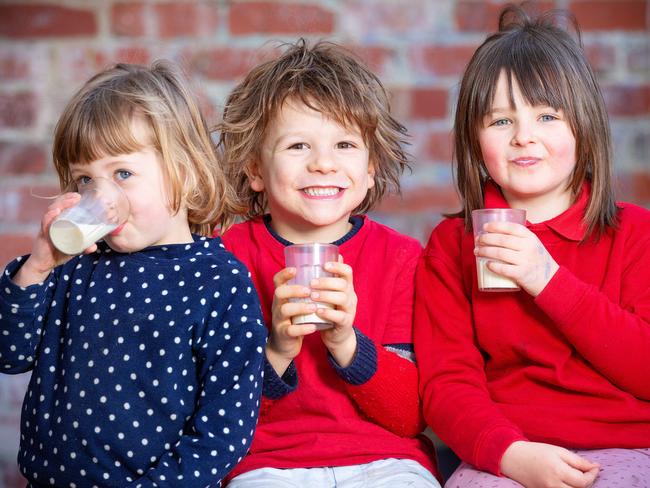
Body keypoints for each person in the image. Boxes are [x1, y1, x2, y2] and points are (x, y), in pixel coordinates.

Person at [414, 4, 650, 488]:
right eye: (500, 121)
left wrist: (548, 280)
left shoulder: (636, 234)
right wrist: (511, 454)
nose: (524, 136)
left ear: (583, 127)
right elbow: (447, 384)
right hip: (508, 452)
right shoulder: (452, 246)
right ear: (474, 139)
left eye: (546, 116)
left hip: (630, 446)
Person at [0, 61, 267, 487]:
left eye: (123, 173)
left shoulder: (220, 283)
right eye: (85, 179)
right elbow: (8, 352)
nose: (101, 195)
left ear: (185, 170)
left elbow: (223, 432)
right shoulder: (74, 266)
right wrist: (37, 267)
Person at [216, 39, 440, 487]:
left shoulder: (402, 258)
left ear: (371, 168)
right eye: (298, 146)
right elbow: (219, 414)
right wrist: (278, 348)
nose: (323, 164)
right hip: (269, 464)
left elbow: (411, 417)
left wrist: (345, 342)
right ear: (255, 169)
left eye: (344, 144)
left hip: (387, 460)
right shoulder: (228, 258)